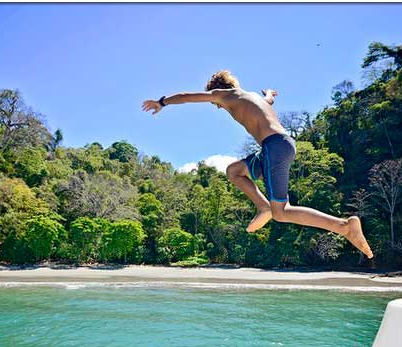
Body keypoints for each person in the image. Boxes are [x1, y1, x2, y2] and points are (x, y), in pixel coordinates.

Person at [142, 70, 373, 258]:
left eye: (217, 104)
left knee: (281, 213)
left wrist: (162, 102)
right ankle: (263, 207)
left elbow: (186, 96)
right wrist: (270, 94)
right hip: (277, 147)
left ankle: (344, 226)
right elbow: (268, 100)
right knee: (234, 171)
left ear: (219, 88)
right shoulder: (252, 96)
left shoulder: (223, 94)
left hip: (274, 147)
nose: (219, 106)